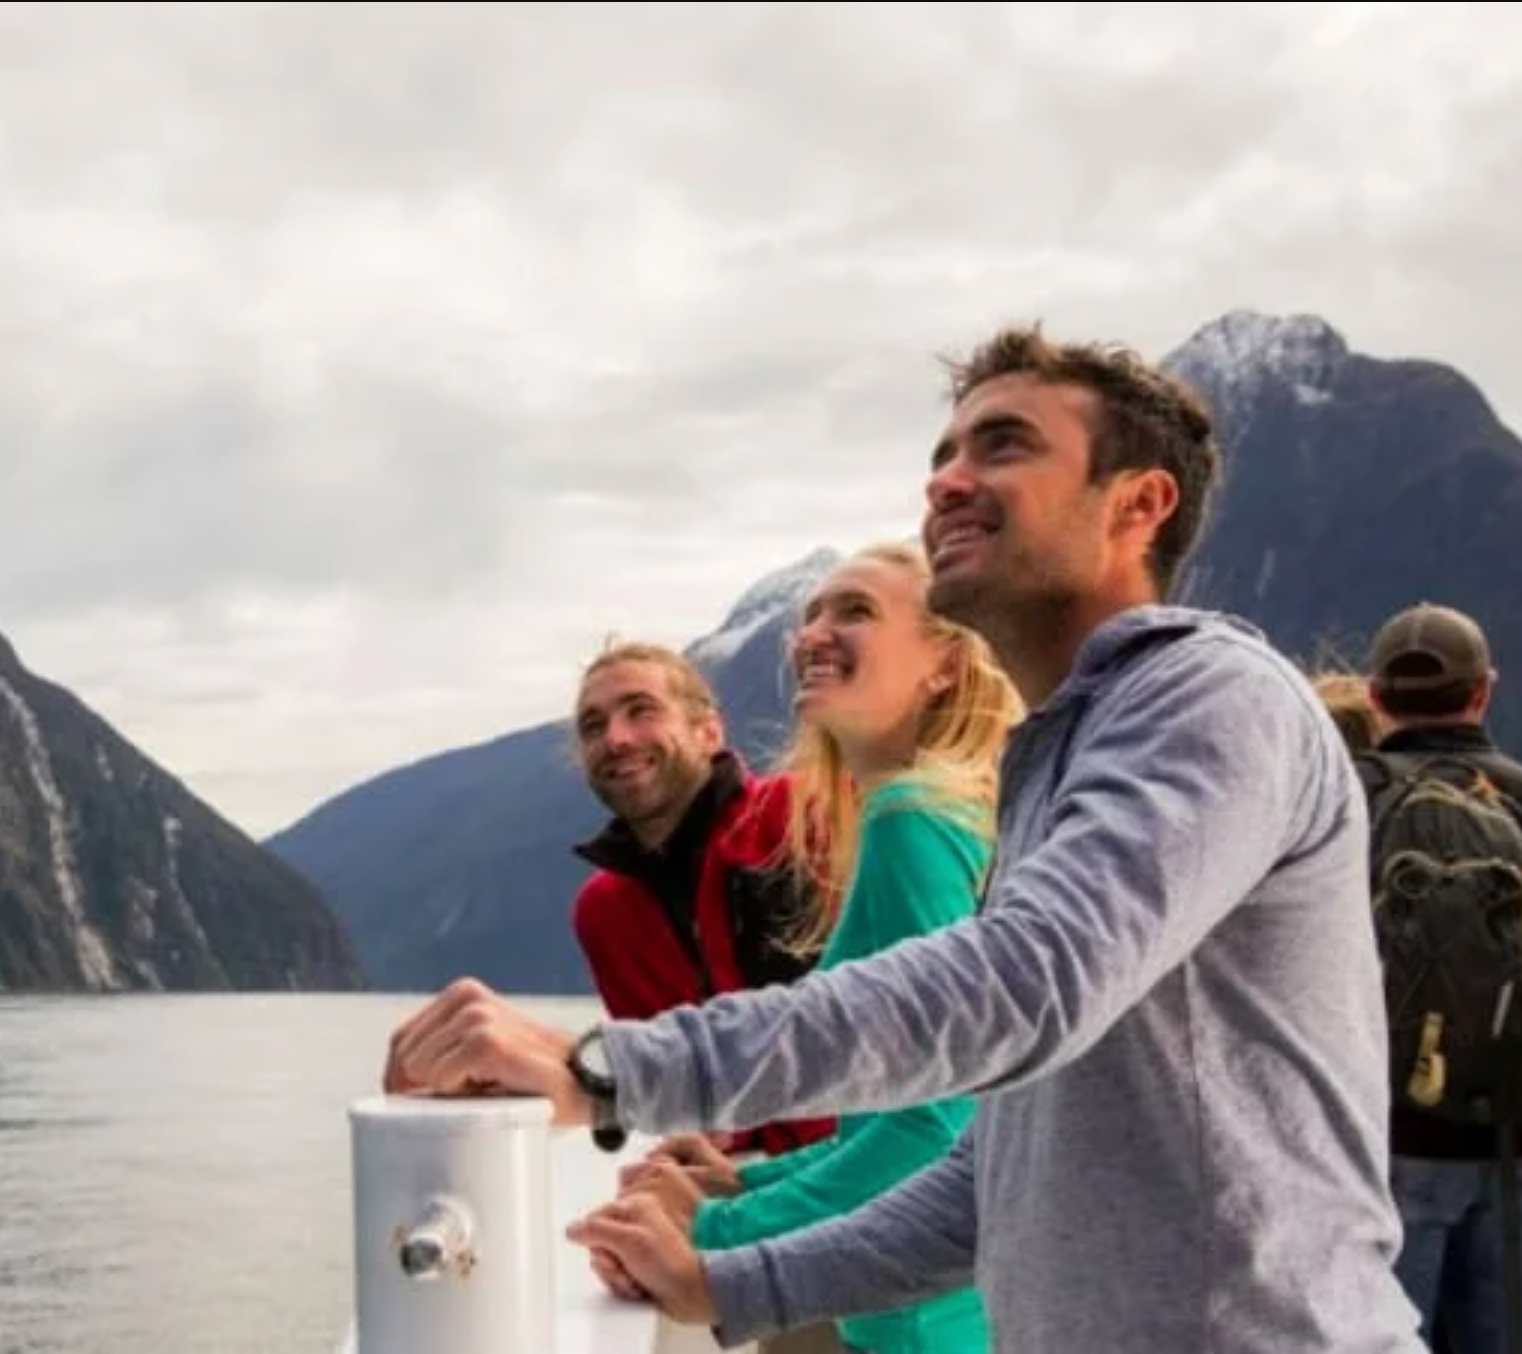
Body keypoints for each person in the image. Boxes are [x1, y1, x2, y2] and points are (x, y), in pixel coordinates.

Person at [382, 323, 1424, 1353]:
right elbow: (997, 1177)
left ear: (1137, 504)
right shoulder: (1056, 771)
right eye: (942, 456)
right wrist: (730, 1282)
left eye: (1002, 444)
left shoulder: (1208, 694)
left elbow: (1023, 982)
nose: (945, 482)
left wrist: (610, 1070)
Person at [613, 540, 1021, 1354]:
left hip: (923, 1330)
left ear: (945, 662)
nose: (813, 635)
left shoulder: (915, 823)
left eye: (856, 612)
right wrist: (746, 1179)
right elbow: (894, 1117)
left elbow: (937, 1125)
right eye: (812, 617)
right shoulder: (949, 815)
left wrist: (721, 1224)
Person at [567, 639, 835, 1158]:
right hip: (748, 1187)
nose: (616, 739)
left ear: (708, 730)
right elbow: (675, 1093)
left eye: (641, 711)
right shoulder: (603, 914)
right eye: (593, 727)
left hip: (883, 1168)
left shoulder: (803, 816)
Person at [1356, 602, 1522, 1354]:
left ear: (1374, 696)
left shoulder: (1352, 801)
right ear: (1482, 692)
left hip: (1389, 1139)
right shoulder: (1516, 799)